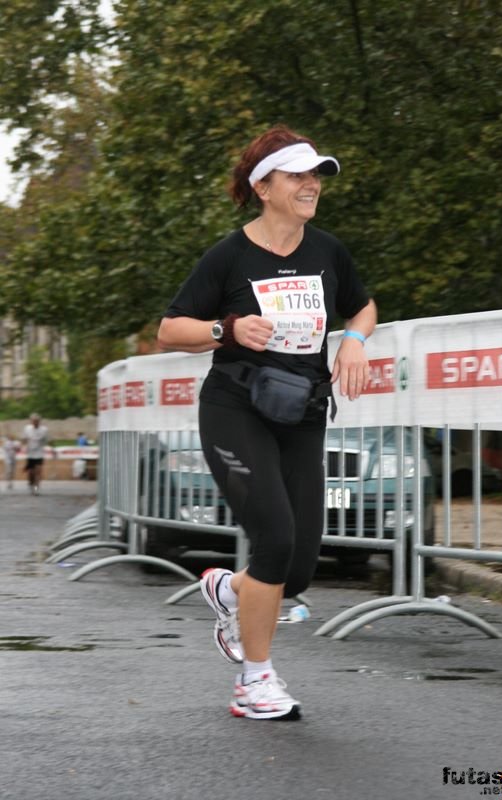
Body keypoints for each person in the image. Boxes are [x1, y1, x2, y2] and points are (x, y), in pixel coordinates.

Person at [158, 124, 376, 721]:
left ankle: (231, 590)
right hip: (236, 410)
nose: (312, 186)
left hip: (302, 412)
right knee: (274, 539)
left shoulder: (328, 251)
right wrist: (224, 329)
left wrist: (354, 340)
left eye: (316, 176)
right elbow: (170, 329)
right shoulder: (229, 256)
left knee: (299, 568)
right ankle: (255, 681)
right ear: (263, 186)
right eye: (298, 176)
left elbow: (361, 303)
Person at [21, 413, 48, 495]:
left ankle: (36, 488)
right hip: (30, 454)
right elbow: (24, 439)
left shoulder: (44, 430)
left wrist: (52, 449)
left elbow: (47, 440)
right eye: (33, 421)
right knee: (31, 472)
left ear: (39, 421)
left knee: (38, 471)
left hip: (39, 453)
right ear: (31, 421)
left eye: (37, 421)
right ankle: (30, 484)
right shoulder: (27, 429)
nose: (35, 422)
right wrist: (23, 447)